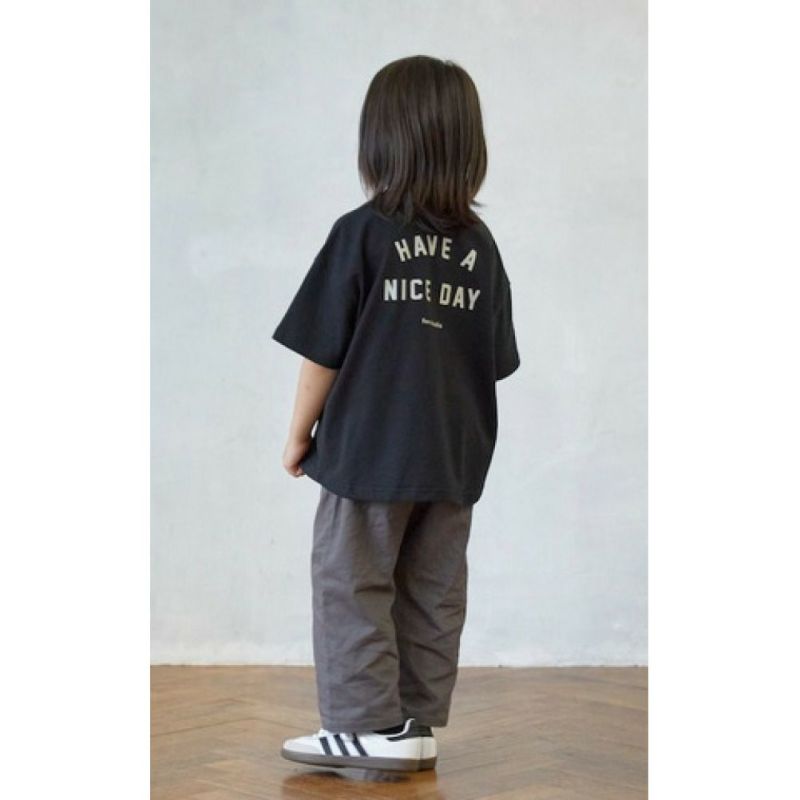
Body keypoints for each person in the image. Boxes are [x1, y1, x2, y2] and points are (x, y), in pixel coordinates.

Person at [272, 54, 520, 772]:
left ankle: (361, 726)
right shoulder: (481, 249)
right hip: (452, 457)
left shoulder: (361, 233)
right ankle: (413, 724)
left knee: (351, 579)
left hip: (369, 453)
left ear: (380, 140)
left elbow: (322, 352)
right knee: (431, 589)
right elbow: (492, 361)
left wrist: (298, 435)